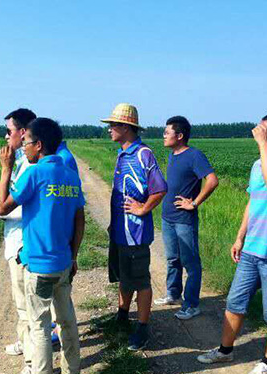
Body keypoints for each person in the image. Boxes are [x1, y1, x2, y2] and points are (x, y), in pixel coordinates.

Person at [197, 113, 267, 374]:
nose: (259, 135)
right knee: (234, 303)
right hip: (251, 251)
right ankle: (225, 351)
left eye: (266, 132)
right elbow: (252, 201)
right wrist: (240, 236)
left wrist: (263, 145)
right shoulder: (258, 164)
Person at [0, 117, 85, 374]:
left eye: (26, 142)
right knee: (67, 322)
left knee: (40, 327)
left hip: (38, 266)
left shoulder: (34, 173)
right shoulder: (70, 175)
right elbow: (80, 221)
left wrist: (5, 169)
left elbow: (2, 207)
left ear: (40, 145)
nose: (23, 147)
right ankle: (72, 370)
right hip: (64, 263)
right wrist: (74, 256)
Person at [101, 103, 167, 351]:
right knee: (123, 275)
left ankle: (142, 328)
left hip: (136, 233)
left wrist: (142, 208)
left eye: (113, 125)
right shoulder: (123, 153)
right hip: (120, 231)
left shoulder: (143, 154)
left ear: (127, 128)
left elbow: (160, 188)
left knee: (140, 280)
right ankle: (121, 315)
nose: (109, 130)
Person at [0, 108, 37, 368]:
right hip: (16, 240)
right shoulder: (22, 161)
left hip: (24, 243)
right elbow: (14, 199)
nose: (5, 137)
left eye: (9, 131)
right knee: (23, 304)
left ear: (23, 132)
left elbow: (33, 206)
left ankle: (34, 363)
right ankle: (27, 346)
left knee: (28, 306)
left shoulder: (31, 165)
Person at [154, 116, 219, 320]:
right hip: (168, 217)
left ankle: (191, 304)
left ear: (180, 135)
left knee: (190, 262)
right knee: (172, 259)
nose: (163, 135)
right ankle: (173, 294)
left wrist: (194, 203)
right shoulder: (173, 154)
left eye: (167, 132)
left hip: (184, 218)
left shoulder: (194, 156)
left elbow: (212, 180)